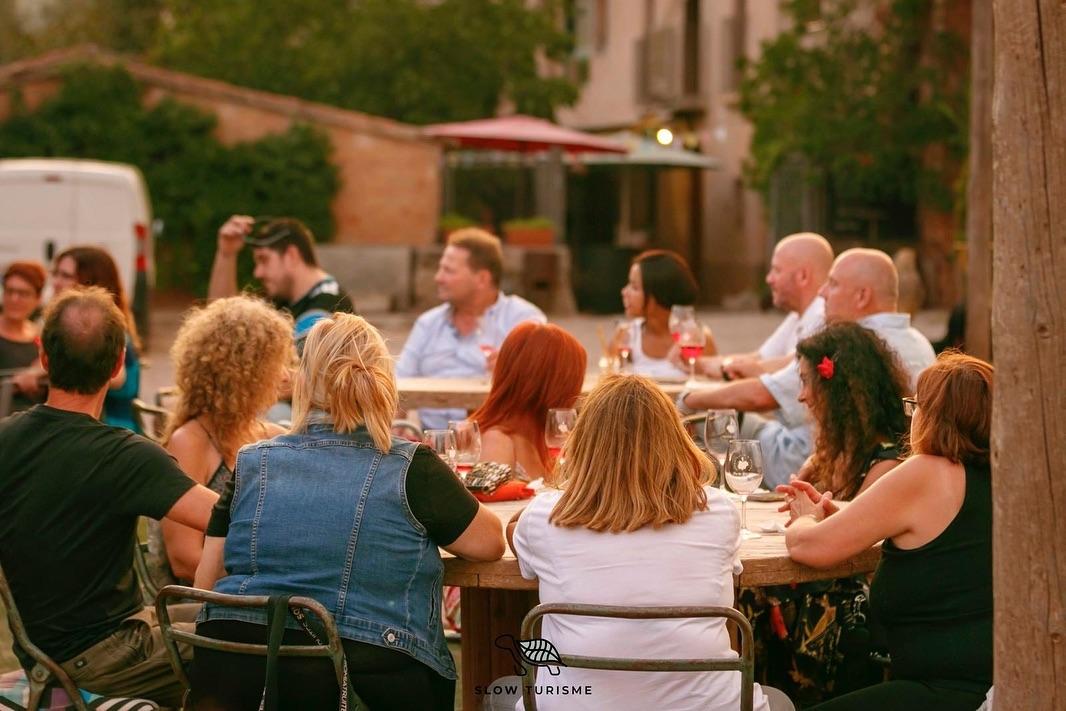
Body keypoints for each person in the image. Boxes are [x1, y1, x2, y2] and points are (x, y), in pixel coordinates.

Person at [190, 312, 506, 711]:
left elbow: (206, 581)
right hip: (363, 677)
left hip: (235, 671)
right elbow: (490, 544)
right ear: (383, 380)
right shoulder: (411, 467)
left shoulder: (251, 463)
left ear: (302, 382)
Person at [509, 375, 790, 711]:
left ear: (583, 442)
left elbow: (516, 536)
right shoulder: (719, 512)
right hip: (713, 706)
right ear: (676, 439)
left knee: (506, 685)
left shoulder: (544, 517)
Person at [0, 287, 218, 707]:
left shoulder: (6, 438)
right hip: (102, 656)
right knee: (249, 634)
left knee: (215, 614)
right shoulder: (125, 455)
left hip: (44, 650)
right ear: (118, 363)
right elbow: (229, 516)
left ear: (43, 356)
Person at [778, 352, 994, 710]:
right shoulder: (1001, 477)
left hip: (943, 692)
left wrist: (805, 516)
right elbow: (946, 545)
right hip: (987, 683)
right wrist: (843, 515)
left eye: (916, 406)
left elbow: (808, 547)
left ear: (931, 415)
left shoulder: (929, 471)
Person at [738, 322, 911, 705]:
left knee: (758, 596)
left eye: (805, 382)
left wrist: (809, 514)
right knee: (744, 593)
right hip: (815, 563)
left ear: (837, 387)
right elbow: (799, 498)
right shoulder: (834, 447)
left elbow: (860, 547)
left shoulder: (888, 460)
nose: (800, 397)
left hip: (857, 598)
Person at [681, 248, 936, 488]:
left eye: (833, 284)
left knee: (713, 426)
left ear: (862, 296)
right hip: (837, 457)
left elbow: (763, 395)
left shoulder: (853, 346)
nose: (822, 292)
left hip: (814, 457)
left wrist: (686, 399)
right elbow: (771, 364)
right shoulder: (919, 341)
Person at [146, 296, 294, 586]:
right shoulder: (190, 441)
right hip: (198, 606)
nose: (286, 373)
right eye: (275, 363)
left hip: (247, 594)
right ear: (247, 372)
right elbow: (185, 561)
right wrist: (266, 578)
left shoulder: (270, 435)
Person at [396, 228, 545, 430]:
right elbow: (397, 388)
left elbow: (545, 390)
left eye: (448, 271)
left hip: (497, 443)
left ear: (482, 278)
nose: (438, 278)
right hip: (432, 446)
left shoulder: (524, 320)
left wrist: (513, 373)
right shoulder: (428, 323)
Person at [683, 233, 832, 380]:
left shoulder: (822, 316)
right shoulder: (798, 315)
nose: (769, 279)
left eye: (776, 270)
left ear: (803, 276)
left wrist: (724, 369)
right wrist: (699, 363)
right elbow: (760, 357)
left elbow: (794, 367)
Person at [208, 214, 355, 344]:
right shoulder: (284, 298)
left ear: (291, 256)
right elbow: (223, 325)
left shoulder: (328, 306)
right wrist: (226, 254)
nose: (257, 273)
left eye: (263, 260)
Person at [471, 322, 586, 482]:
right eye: (573, 380)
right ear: (553, 383)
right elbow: (491, 505)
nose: (576, 391)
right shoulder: (498, 442)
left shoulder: (545, 441)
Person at [614, 249, 707, 380]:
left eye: (634, 287)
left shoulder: (697, 339)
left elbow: (710, 386)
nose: (624, 292)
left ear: (657, 295)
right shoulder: (627, 335)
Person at [0, 261, 47, 413]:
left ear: (38, 298)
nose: (14, 299)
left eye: (23, 294)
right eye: (9, 291)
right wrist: (15, 384)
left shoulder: (41, 337)